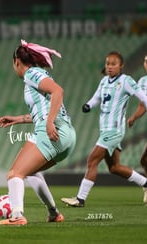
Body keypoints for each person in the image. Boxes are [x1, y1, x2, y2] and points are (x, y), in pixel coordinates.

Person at [0, 39, 76, 226]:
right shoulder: (38, 75)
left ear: (16, 61)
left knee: (14, 174)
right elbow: (45, 108)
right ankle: (54, 213)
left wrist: (48, 124)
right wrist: (18, 119)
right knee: (31, 173)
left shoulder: (31, 73)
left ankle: (16, 216)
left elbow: (58, 91)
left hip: (53, 132)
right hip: (67, 135)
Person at [61, 51, 147, 208]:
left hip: (114, 131)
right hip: (104, 130)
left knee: (92, 160)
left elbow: (143, 97)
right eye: (108, 63)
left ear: (121, 66)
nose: (109, 66)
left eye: (113, 64)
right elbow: (97, 98)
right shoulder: (104, 82)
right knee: (114, 167)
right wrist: (88, 105)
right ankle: (146, 183)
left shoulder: (126, 81)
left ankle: (80, 199)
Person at [126, 54, 147, 204]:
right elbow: (142, 105)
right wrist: (133, 117)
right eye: (145, 61)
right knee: (144, 160)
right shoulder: (143, 81)